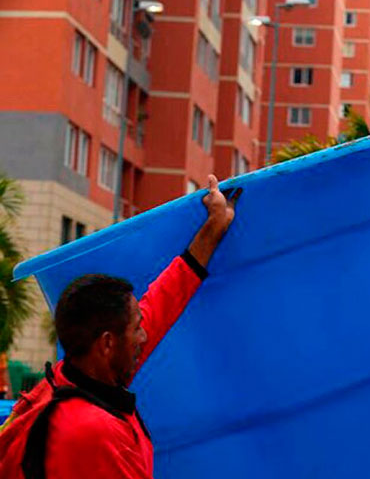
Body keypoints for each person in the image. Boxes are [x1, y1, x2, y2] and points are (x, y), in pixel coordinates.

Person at [0, 175, 241, 479]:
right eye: (136, 328)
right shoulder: (93, 434)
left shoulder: (72, 378)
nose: (144, 335)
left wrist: (214, 228)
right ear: (107, 343)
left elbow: (160, 305)